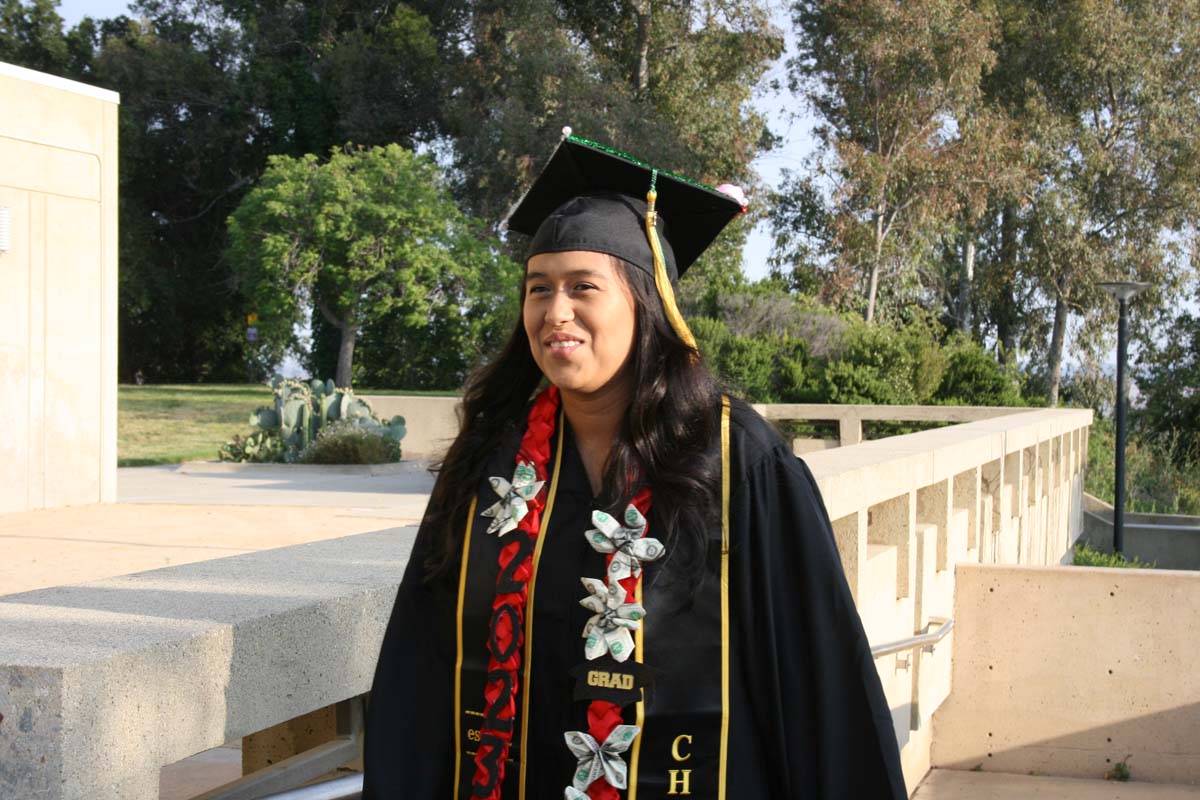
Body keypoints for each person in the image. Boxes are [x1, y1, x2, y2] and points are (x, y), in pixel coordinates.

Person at [364, 131, 906, 799]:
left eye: (582, 287)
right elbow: (420, 672)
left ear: (648, 303)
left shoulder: (739, 464)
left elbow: (820, 684)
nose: (555, 312)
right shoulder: (488, 469)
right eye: (538, 289)